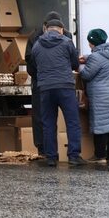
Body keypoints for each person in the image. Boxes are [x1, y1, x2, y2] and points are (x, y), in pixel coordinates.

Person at [29, 19, 85, 166]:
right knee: (72, 122)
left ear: (46, 29)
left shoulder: (36, 45)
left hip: (45, 89)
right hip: (65, 87)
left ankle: (51, 157)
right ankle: (73, 156)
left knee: (48, 124)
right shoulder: (67, 42)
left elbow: (33, 67)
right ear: (61, 29)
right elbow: (74, 64)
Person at [79, 28, 109, 163]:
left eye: (89, 42)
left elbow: (86, 75)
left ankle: (100, 156)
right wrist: (87, 57)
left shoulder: (95, 57)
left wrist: (79, 67)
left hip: (101, 97)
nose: (88, 44)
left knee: (101, 127)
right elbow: (99, 58)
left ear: (93, 42)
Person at [25, 11, 63, 155]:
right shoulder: (34, 38)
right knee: (41, 115)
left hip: (52, 80)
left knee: (48, 116)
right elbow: (29, 59)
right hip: (42, 81)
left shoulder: (65, 35)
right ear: (44, 26)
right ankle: (42, 147)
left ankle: (54, 149)